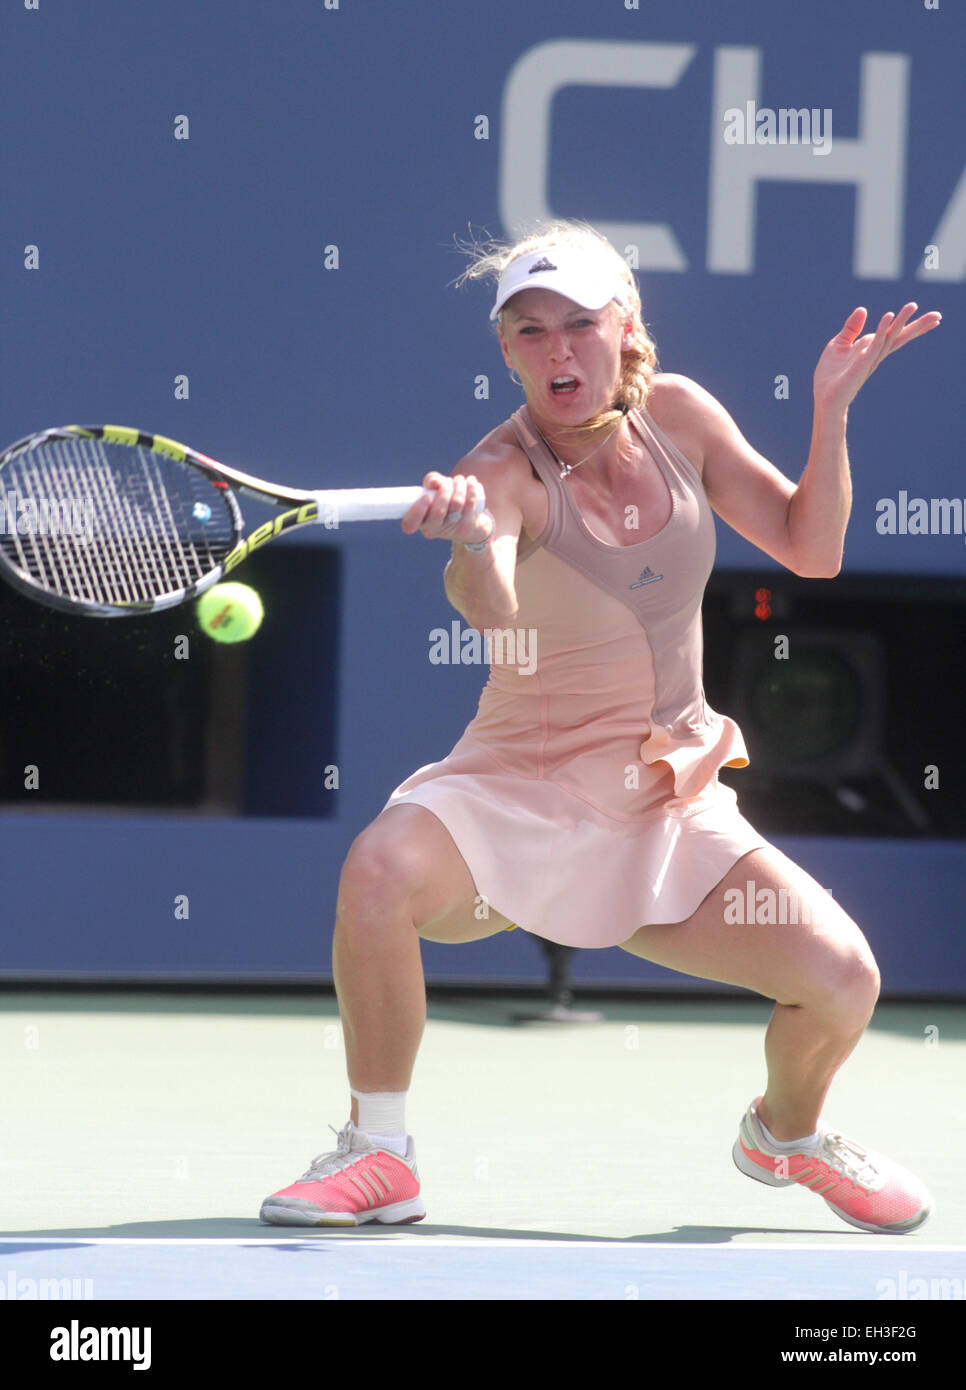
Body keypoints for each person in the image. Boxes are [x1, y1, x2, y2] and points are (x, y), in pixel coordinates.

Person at [260, 221, 941, 1234]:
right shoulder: (499, 469)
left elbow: (812, 548)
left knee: (844, 981)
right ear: (507, 351)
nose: (557, 350)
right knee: (379, 869)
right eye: (529, 331)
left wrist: (831, 412)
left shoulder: (682, 416)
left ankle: (785, 1135)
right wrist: (473, 537)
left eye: (579, 323)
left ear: (626, 328)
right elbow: (489, 606)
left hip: (665, 800)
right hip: (518, 798)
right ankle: (379, 1153)